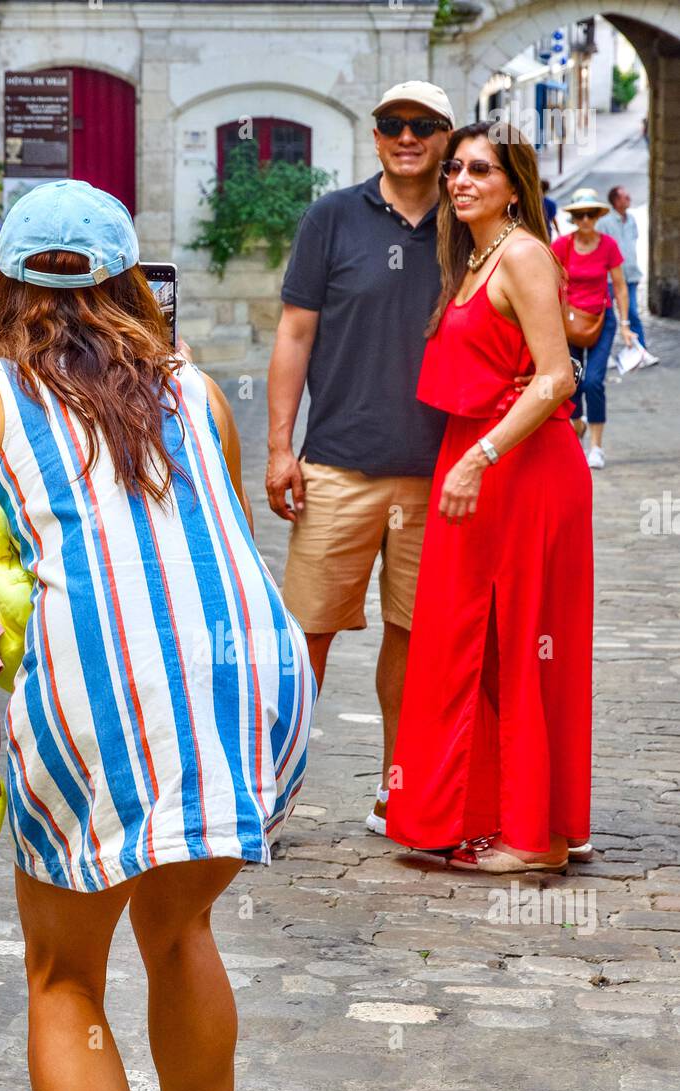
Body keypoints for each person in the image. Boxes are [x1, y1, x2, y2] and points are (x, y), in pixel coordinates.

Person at [0, 179, 316, 1091]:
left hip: (100, 695)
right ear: (133, 284)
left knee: (64, 975)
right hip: (245, 683)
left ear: (5, 288)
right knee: (180, 930)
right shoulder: (195, 389)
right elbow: (209, 536)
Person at [384, 121, 594, 874]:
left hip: (522, 467)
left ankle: (535, 836)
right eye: (455, 170)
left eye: (480, 170)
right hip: (479, 462)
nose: (461, 181)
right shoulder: (474, 259)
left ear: (513, 186)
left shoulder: (525, 254)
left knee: (523, 638)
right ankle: (502, 818)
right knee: (473, 640)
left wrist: (479, 457)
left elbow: (557, 377)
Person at [266, 81, 454, 838]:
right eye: (392, 123)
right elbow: (295, 332)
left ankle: (395, 792)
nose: (407, 136)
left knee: (415, 638)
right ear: (375, 136)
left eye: (424, 125)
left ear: (445, 138)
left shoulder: (467, 221)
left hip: (436, 474)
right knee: (304, 638)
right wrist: (280, 447)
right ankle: (270, 795)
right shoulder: (332, 217)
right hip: (337, 466)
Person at [553, 187, 634, 470]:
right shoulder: (562, 246)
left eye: (590, 214)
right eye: (580, 215)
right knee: (572, 383)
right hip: (570, 322)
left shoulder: (608, 245)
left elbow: (620, 287)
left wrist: (625, 325)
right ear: (573, 219)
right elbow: (549, 283)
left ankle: (597, 447)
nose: (585, 220)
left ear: (597, 216)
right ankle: (578, 426)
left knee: (593, 381)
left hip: (602, 320)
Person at [599, 185, 658, 364]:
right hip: (611, 278)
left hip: (630, 275)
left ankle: (641, 352)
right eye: (625, 197)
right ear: (616, 201)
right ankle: (604, 355)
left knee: (633, 313)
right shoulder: (605, 222)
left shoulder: (631, 219)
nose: (629, 199)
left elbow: (632, 242)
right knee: (605, 316)